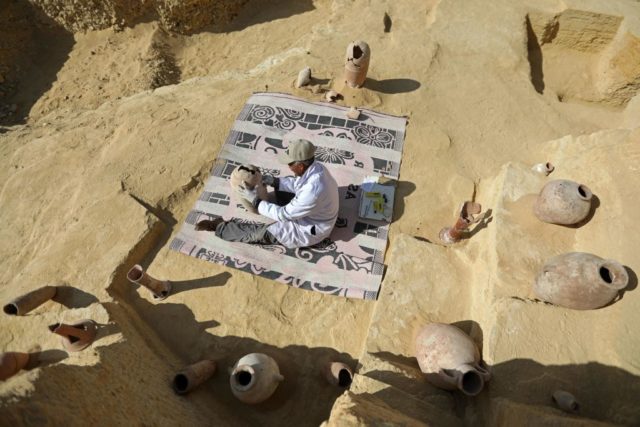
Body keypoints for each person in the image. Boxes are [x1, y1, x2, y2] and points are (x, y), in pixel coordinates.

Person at [195, 139, 339, 249]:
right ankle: (273, 195)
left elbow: (283, 215)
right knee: (285, 184)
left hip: (310, 229)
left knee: (259, 234)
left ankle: (220, 227)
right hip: (316, 208)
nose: (288, 166)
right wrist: (274, 181)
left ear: (300, 165)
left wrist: (256, 201)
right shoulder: (316, 169)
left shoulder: (312, 191)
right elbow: (298, 185)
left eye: (290, 164)